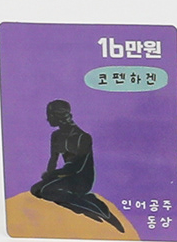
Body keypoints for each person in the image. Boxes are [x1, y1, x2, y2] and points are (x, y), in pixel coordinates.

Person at [29, 98, 127, 231]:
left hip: (81, 178)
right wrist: (48, 175)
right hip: (65, 176)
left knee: (47, 191)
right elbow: (53, 159)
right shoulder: (56, 136)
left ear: (57, 115)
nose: (47, 119)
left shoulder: (83, 137)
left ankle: (98, 208)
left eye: (49, 115)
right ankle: (81, 203)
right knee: (36, 190)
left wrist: (53, 175)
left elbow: (77, 167)